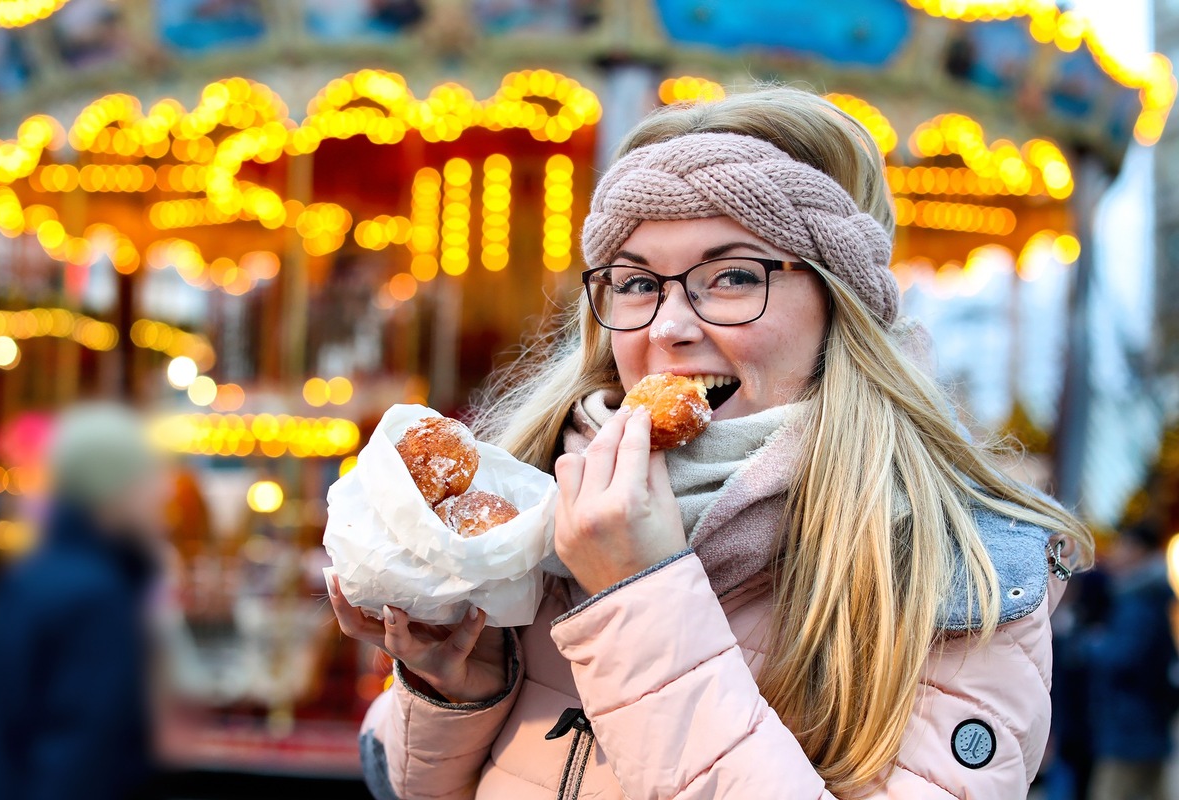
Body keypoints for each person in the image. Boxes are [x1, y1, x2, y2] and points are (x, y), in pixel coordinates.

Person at [329, 85, 1093, 798]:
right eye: (634, 283)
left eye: (730, 277)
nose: (668, 327)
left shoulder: (961, 574)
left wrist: (642, 592)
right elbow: (406, 780)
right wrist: (454, 687)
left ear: (840, 306)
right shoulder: (533, 500)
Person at [0, 403, 167, 800]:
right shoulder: (96, 597)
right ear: (114, 486)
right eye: (147, 478)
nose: (162, 492)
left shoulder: (32, 579)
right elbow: (84, 750)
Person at [1087, 523, 1177, 800]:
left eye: (1123, 545)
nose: (1115, 553)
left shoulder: (1137, 600)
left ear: (1139, 551)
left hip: (1129, 727)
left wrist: (1092, 644)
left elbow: (1122, 657)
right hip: (1147, 723)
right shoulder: (1151, 595)